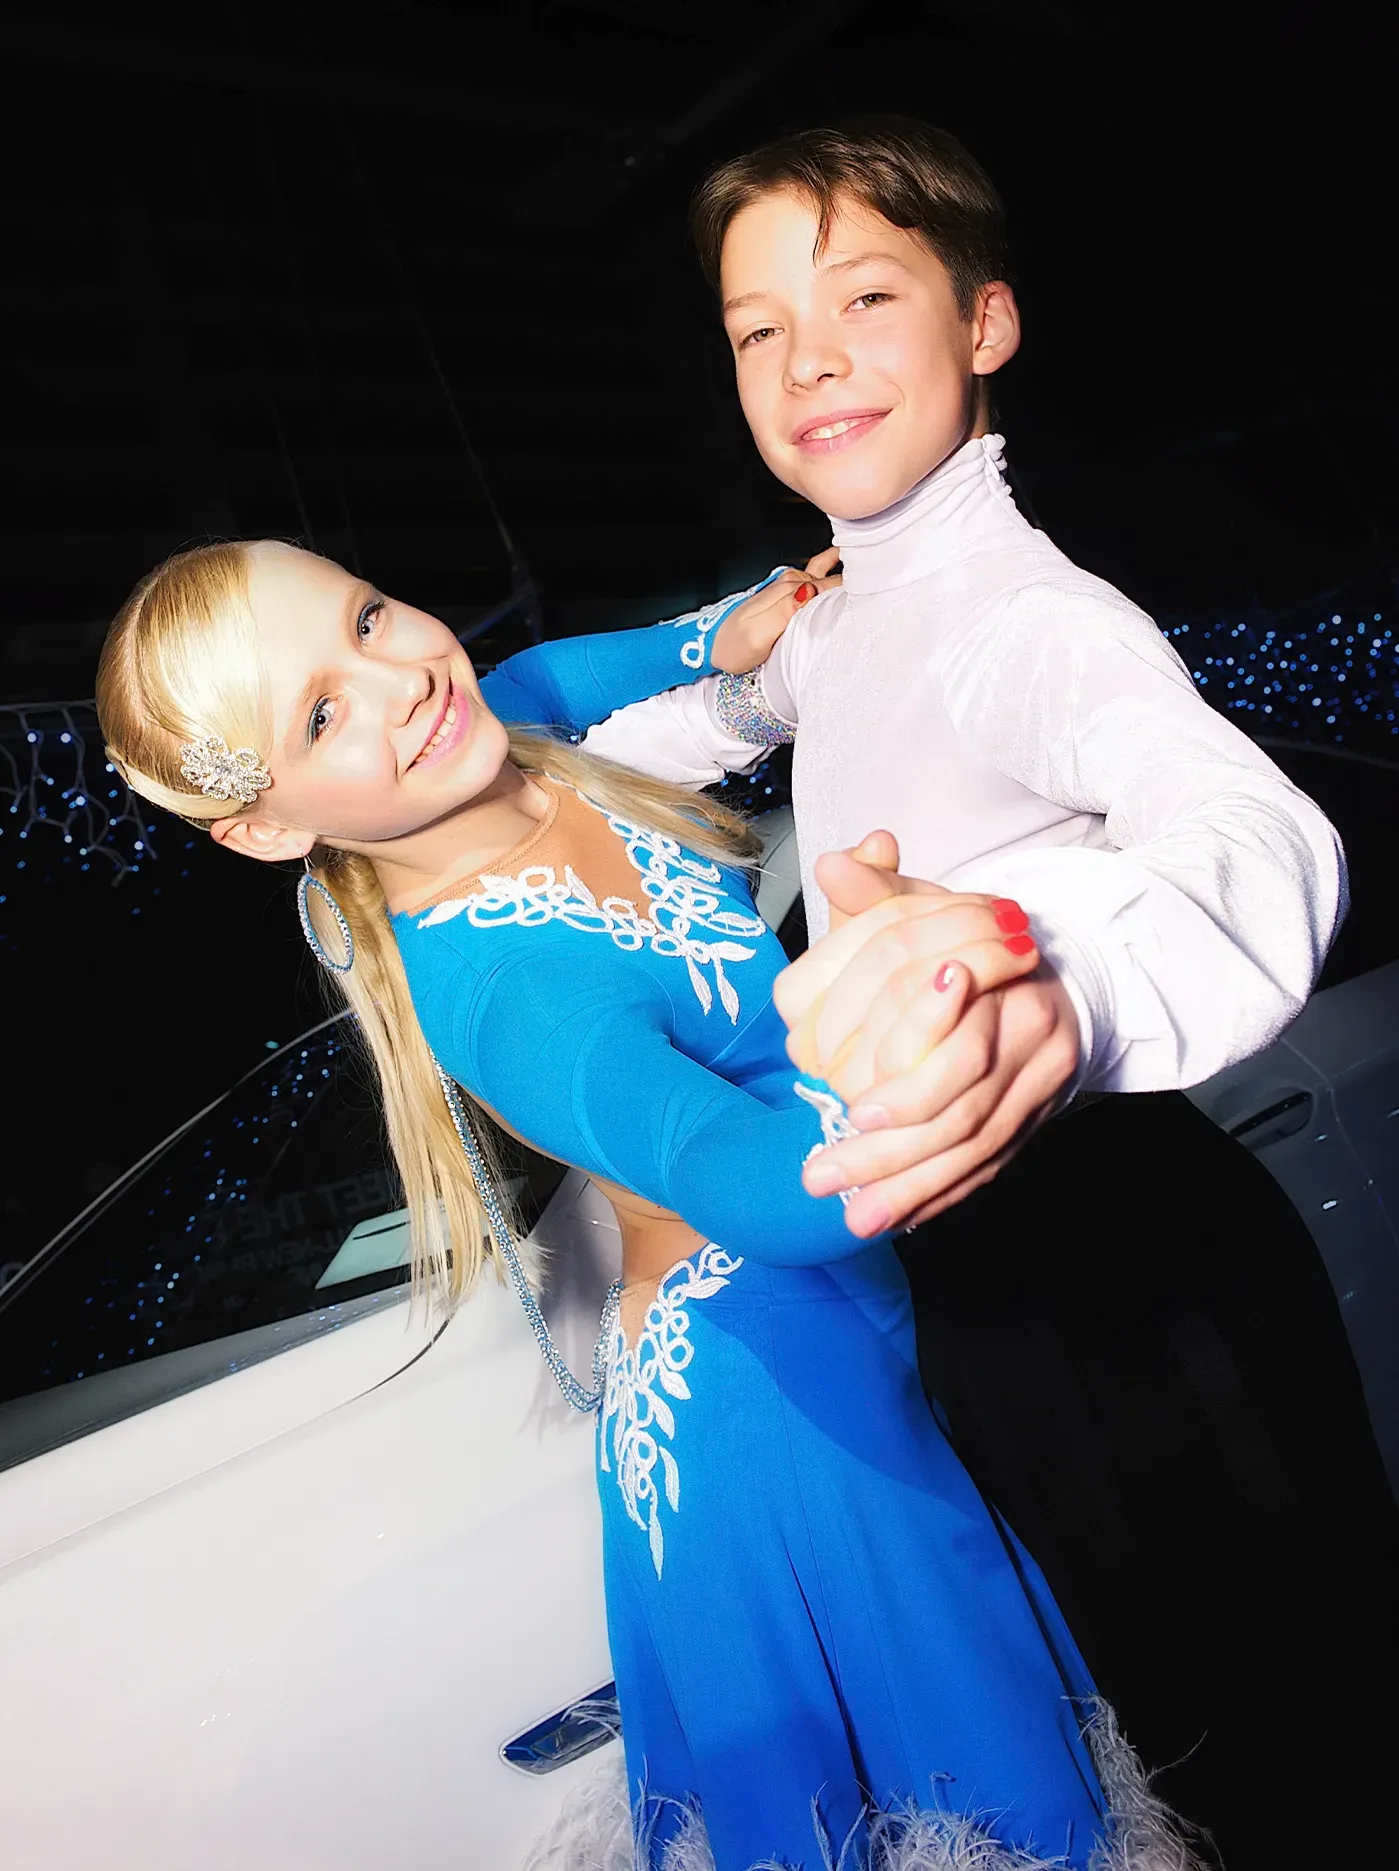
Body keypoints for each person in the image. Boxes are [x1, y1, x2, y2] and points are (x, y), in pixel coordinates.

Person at [96, 540, 1202, 1871]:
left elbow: (550, 672)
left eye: (371, 615)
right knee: (973, 1799)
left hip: (832, 1361)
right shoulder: (510, 995)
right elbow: (778, 1198)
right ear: (269, 824)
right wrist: (932, 1025)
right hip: (772, 1410)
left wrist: (724, 632)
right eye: (320, 712)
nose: (398, 681)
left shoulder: (475, 724)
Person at [558, 118, 1399, 1864]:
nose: (809, 361)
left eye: (866, 296)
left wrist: (1056, 986)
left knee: (1282, 1762)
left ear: (986, 325)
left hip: (1130, 1292)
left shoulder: (1027, 617)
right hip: (979, 1293)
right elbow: (543, 745)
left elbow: (1259, 840)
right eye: (755, 329)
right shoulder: (840, 618)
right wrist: (726, 644)